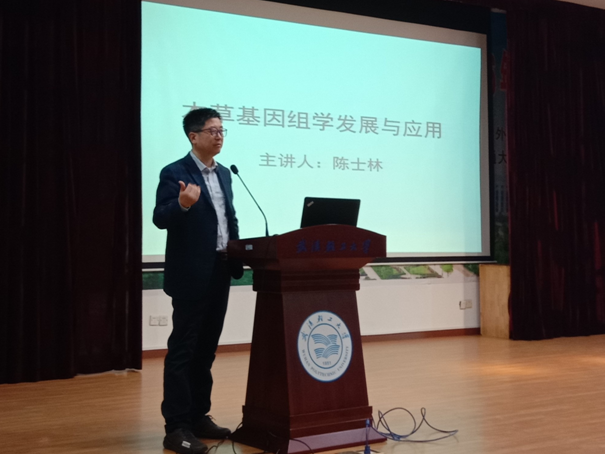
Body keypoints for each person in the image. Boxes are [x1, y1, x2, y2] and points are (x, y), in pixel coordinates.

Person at [153, 107, 243, 454]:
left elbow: (229, 219)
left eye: (222, 130)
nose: (219, 136)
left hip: (220, 270)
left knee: (206, 349)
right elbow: (160, 218)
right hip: (191, 273)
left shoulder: (225, 174)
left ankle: (198, 415)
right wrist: (182, 204)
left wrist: (239, 252)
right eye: (212, 131)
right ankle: (177, 427)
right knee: (183, 350)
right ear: (194, 136)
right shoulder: (174, 172)